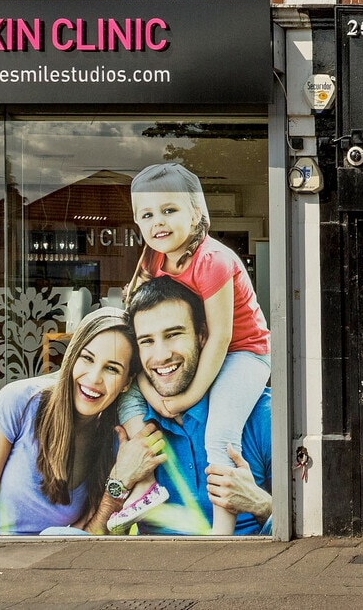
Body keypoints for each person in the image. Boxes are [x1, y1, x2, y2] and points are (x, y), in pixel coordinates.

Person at [114, 162, 270, 535]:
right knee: (127, 396)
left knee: (220, 434)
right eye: (147, 215)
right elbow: (137, 310)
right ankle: (143, 488)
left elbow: (218, 337)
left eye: (169, 210)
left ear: (196, 211)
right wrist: (150, 389)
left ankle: (223, 530)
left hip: (245, 351)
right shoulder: (154, 256)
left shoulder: (213, 260)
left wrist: (185, 399)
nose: (158, 223)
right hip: (205, 347)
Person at [0, 310, 151, 536]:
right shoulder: (19, 403)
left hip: (54, 560)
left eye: (112, 368)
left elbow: (89, 532)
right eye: (87, 358)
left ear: (127, 382)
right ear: (72, 357)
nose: (94, 378)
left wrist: (119, 480)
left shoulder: (113, 438)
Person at [122, 275, 274, 535]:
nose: (161, 355)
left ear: (202, 336)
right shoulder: (130, 425)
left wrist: (262, 505)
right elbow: (93, 535)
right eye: (147, 341)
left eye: (173, 334)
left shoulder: (261, 415)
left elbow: (316, 536)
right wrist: (119, 481)